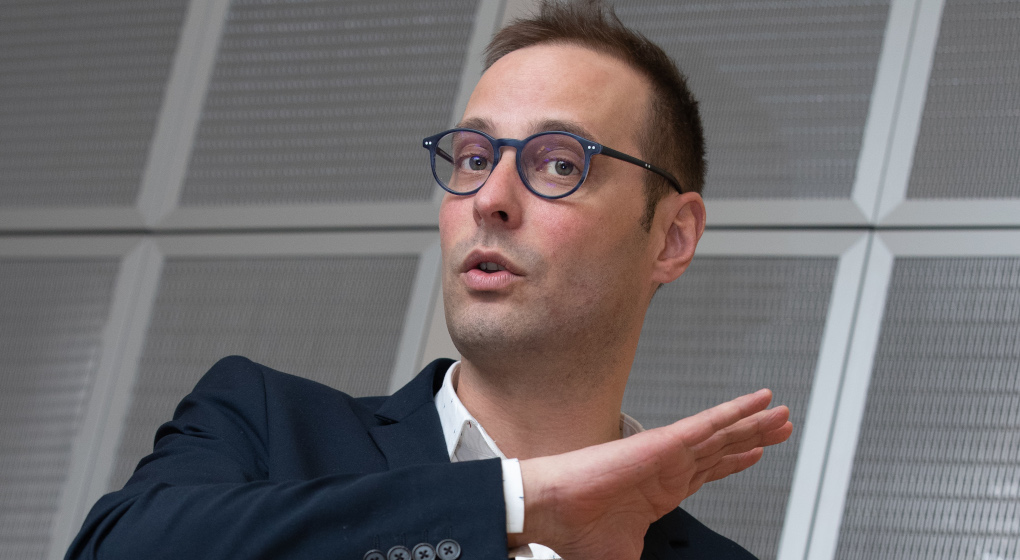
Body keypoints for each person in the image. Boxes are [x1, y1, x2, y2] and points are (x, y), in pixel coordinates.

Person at [66, 1, 792, 559]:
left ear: (672, 236)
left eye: (558, 163)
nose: (489, 198)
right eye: (474, 158)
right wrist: (517, 502)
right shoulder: (264, 427)